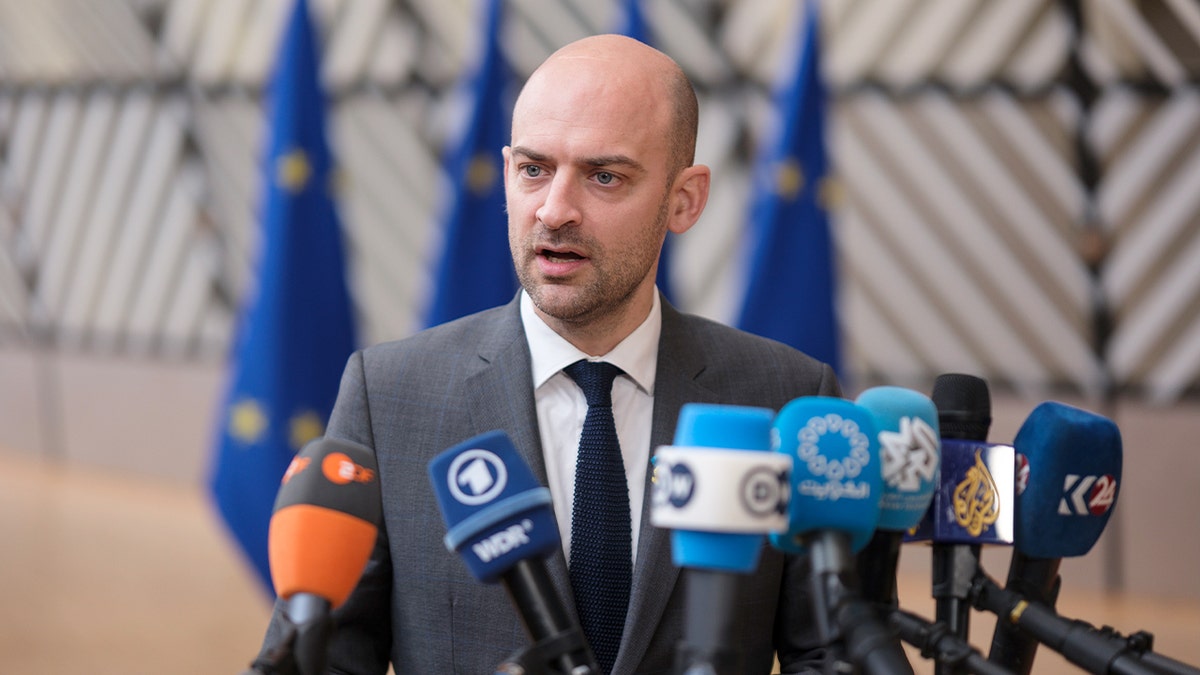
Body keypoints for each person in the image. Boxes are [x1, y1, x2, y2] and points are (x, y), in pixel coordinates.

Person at [257, 33, 840, 674]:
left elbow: (833, 656)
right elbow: (325, 658)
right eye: (533, 170)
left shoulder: (788, 398)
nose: (555, 210)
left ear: (685, 200)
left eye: (604, 176)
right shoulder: (390, 395)